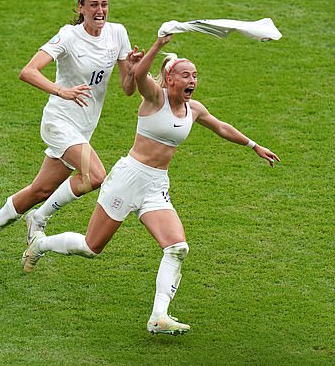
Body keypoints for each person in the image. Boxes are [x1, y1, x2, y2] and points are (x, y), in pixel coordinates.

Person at [21, 34, 280, 335]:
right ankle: (41, 244)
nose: (192, 80)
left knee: (177, 247)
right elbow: (138, 75)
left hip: (156, 184)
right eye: (185, 75)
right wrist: (158, 45)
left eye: (195, 75)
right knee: (92, 248)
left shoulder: (193, 109)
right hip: (128, 178)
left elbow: (221, 126)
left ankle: (159, 316)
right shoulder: (154, 98)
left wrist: (254, 145)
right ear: (169, 79)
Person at [0, 0, 144, 267]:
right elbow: (28, 71)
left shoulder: (118, 34)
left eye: (104, 4)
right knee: (96, 175)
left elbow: (127, 89)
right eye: (94, 5)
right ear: (80, 8)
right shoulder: (68, 36)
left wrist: (134, 70)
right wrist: (61, 91)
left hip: (83, 127)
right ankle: (39, 218)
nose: (100, 10)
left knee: (40, 190)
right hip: (59, 121)